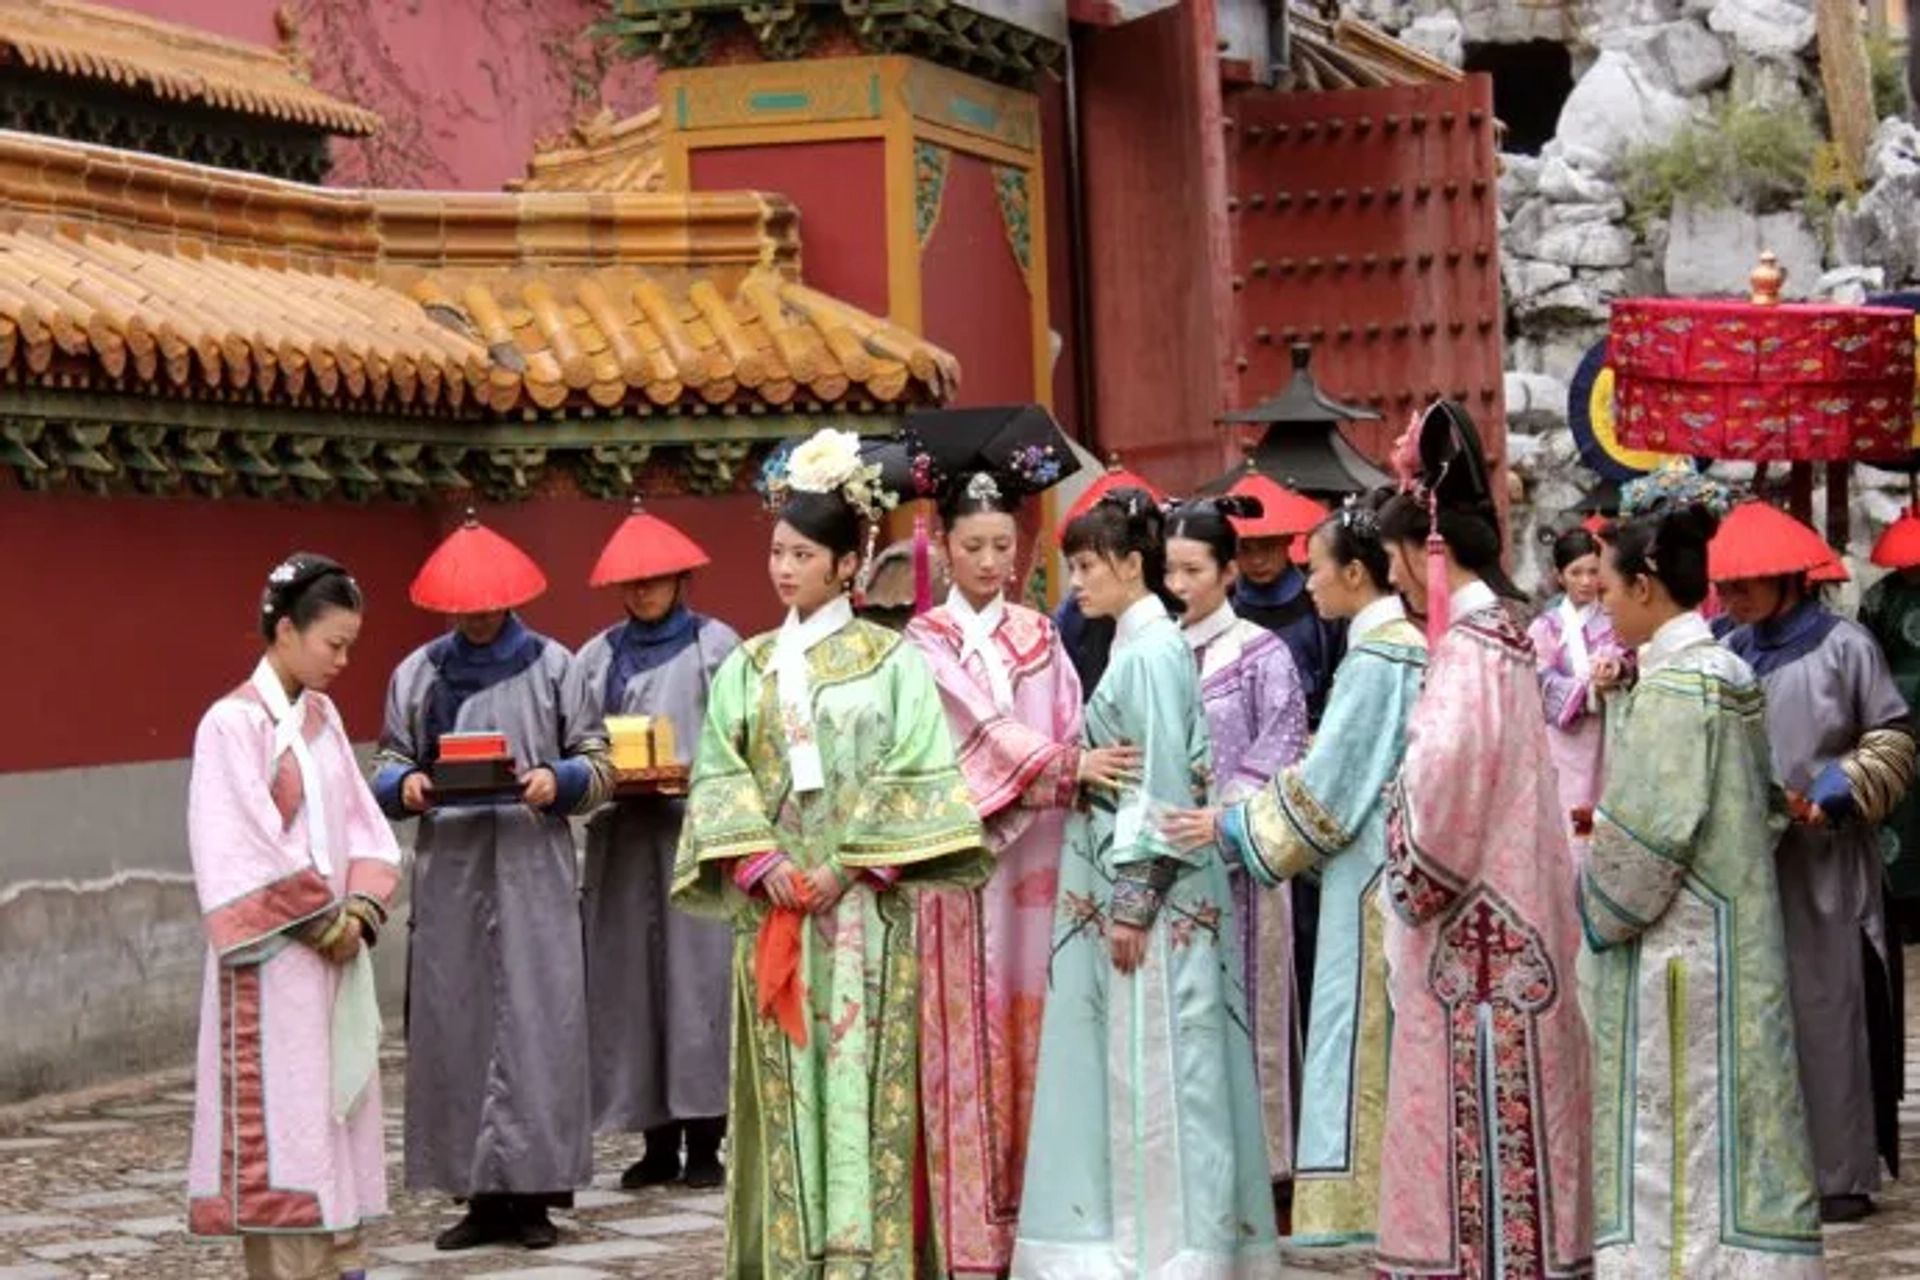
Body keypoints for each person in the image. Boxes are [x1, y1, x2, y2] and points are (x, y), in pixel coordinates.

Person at [671, 428, 989, 1278]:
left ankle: (871, 1262)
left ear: (848, 565)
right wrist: (761, 864)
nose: (784, 569)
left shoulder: (894, 662)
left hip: (865, 915)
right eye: (778, 552)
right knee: (787, 1085)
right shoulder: (749, 666)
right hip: (777, 910)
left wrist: (848, 865)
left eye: (803, 554)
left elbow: (922, 767)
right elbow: (718, 773)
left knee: (864, 1081)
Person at [1013, 488, 1280, 1279]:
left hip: (1154, 903)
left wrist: (1133, 902)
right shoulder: (1140, 646)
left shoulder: (1151, 651)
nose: (1078, 584)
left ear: (1135, 566)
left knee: (1162, 1064)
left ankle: (1167, 1252)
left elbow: (1162, 785)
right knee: (1153, 1060)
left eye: (1090, 566)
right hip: (1144, 887)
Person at [1162, 492, 1424, 1255]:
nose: (1305, 586)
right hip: (1384, 863)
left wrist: (1234, 821)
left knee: (1352, 1028)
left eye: (1318, 570)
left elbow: (1325, 787)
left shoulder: (1376, 657)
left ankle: (1353, 1211)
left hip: (1361, 869)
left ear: (1356, 573)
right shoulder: (1403, 646)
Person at [1580, 474, 1825, 1275]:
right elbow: (1765, 806)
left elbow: (1646, 843)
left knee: (1678, 1136)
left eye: (1610, 587)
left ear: (1645, 586)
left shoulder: (1679, 687)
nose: (1603, 605)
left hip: (1681, 953)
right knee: (1737, 1123)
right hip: (1737, 926)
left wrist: (1595, 902)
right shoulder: (1727, 671)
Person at [900, 415, 1124, 1278]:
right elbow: (965, 734)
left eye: (1003, 544)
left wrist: (1075, 766)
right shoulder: (924, 645)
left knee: (1043, 1036)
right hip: (963, 866)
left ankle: (1048, 1233)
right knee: (967, 1042)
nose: (992, 561)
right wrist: (1062, 767)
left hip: (1038, 867)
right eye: (975, 545)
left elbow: (1073, 722)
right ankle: (968, 1238)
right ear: (943, 549)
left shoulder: (1042, 637)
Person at [1374, 401, 1593, 1278]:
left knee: (1480, 1149)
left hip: (1477, 944)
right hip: (1523, 916)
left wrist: (1399, 838)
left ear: (1415, 555)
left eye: (1392, 560)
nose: (1391, 577)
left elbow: (1437, 818)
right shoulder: (1506, 637)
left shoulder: (1467, 655)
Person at [372, 516, 613, 1252]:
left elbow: (599, 764)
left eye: (487, 603)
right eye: (462, 605)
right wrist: (406, 784)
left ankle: (535, 1194)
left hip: (531, 870)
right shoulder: (417, 675)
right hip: (450, 875)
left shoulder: (555, 668)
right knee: (458, 1024)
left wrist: (557, 779)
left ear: (510, 597)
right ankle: (475, 1191)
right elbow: (385, 764)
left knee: (540, 1026)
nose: (475, 615)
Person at [185, 554, 400, 1280]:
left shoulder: (322, 717)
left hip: (334, 964)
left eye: (350, 646)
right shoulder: (230, 726)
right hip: (272, 969)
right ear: (284, 631)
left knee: (334, 1124)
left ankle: (344, 1263)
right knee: (287, 1136)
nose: (342, 660)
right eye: (333, 644)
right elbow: (238, 847)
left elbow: (364, 826)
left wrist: (362, 910)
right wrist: (320, 921)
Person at [1714, 500, 1916, 1223]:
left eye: (1744, 585)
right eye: (1725, 586)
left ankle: (1839, 1172)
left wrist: (1835, 791)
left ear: (1788, 579)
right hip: (1751, 862)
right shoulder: (1728, 651)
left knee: (1830, 1011)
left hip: (1829, 864)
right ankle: (1767, 1163)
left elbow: (1892, 736)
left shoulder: (1847, 647)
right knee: (1756, 1011)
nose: (1732, 599)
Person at [569, 501, 741, 1190]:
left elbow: (742, 737)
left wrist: (700, 778)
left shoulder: (718, 647)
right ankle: (652, 1140)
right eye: (631, 583)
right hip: (625, 838)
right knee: (631, 986)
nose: (642, 591)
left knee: (699, 984)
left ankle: (707, 1139)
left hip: (697, 835)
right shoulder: (593, 659)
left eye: (655, 579)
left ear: (680, 580)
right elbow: (579, 743)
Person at [1163, 494, 1308, 1200]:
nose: (1179, 585)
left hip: (1240, 859)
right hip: (1168, 862)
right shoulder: (1154, 652)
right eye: (1171, 571)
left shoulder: (1263, 654)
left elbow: (1281, 748)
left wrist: (1219, 822)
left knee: (1250, 1007)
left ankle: (1263, 1163)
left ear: (1228, 574)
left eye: (1194, 569)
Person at [1528, 528, 1626, 842]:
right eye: (1576, 572)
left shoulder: (1617, 619)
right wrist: (1586, 692)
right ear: (1560, 576)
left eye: (1593, 572)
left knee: (1603, 824)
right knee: (1568, 829)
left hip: (1608, 739)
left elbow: (1632, 659)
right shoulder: (1545, 627)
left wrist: (1618, 669)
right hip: (1562, 745)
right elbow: (1538, 681)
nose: (1586, 581)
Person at [1858, 503, 1920, 937]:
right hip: (1895, 712)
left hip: (1897, 702)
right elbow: (1867, 655)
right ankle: (1899, 907)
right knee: (1898, 806)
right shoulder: (1877, 597)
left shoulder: (1878, 596)